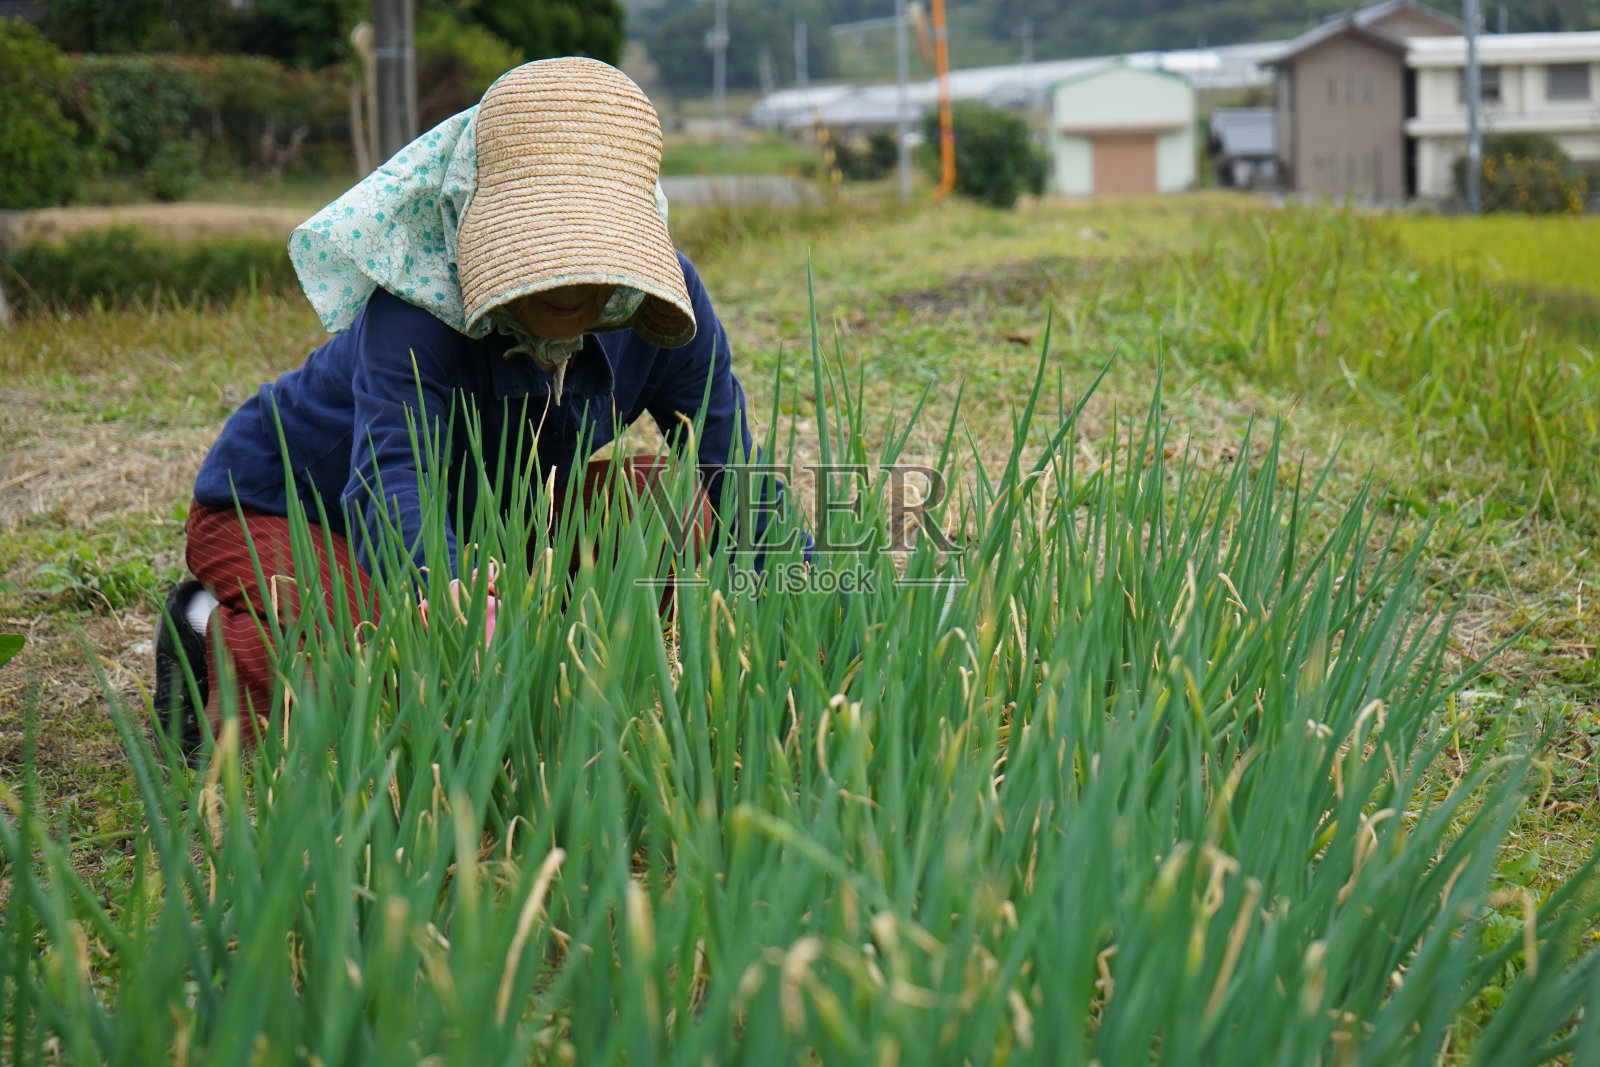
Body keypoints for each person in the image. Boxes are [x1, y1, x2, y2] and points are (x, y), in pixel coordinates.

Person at [152, 57, 785, 756]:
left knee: (672, 498)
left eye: (591, 249)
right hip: (291, 506)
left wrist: (809, 602)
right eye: (542, 248)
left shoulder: (665, 304)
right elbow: (392, 480)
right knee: (372, 659)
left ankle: (565, 678)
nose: (570, 280)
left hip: (477, 518)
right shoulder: (419, 305)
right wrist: (443, 589)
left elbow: (732, 471)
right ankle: (206, 631)